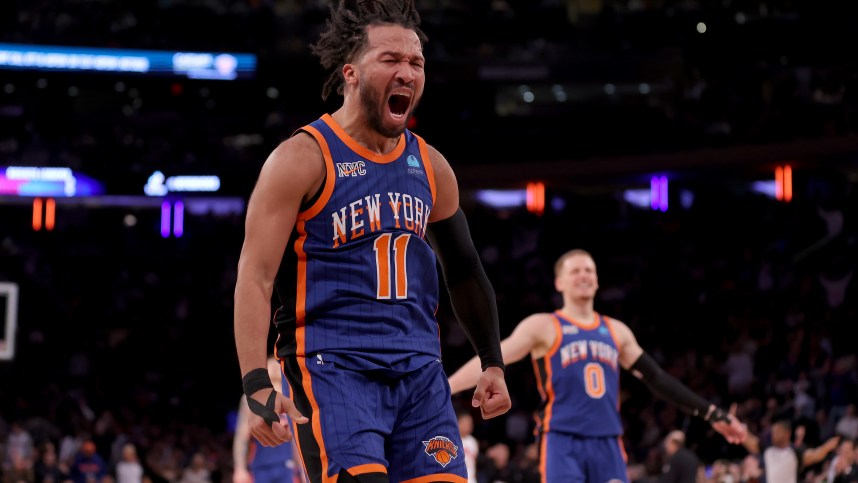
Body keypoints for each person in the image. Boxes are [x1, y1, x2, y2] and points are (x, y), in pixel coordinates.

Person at [232, 1, 511, 483]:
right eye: (391, 60)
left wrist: (492, 361)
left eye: (416, 62)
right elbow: (254, 276)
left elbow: (464, 269)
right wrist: (256, 381)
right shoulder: (302, 157)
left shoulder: (431, 166)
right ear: (352, 73)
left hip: (420, 370)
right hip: (333, 367)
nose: (407, 71)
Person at [448, 249, 748, 483]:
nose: (583, 275)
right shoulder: (543, 326)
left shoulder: (617, 331)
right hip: (562, 440)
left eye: (589, 270)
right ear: (559, 282)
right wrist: (446, 386)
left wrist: (711, 412)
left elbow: (658, 378)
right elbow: (491, 361)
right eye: (575, 270)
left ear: (598, 279)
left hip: (608, 440)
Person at [233, 357, 305, 483]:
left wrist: (303, 468)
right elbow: (241, 436)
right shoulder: (250, 399)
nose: (274, 369)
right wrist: (239, 468)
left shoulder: (289, 397)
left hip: (286, 466)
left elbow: (296, 438)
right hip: (260, 465)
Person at [743, 420, 839, 483]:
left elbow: (815, 455)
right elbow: (749, 440)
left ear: (787, 434)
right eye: (774, 431)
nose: (774, 434)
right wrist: (735, 425)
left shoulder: (795, 452)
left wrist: (827, 447)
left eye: (778, 431)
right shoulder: (767, 448)